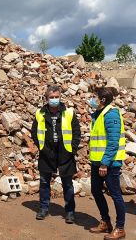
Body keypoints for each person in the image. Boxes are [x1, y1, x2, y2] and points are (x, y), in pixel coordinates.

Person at [31, 85, 81, 223]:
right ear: (46, 98)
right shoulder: (40, 113)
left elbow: (76, 132)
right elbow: (34, 132)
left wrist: (73, 149)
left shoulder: (69, 112)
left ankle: (70, 212)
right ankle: (43, 209)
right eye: (51, 97)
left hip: (65, 153)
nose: (54, 99)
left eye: (56, 97)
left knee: (67, 184)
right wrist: (41, 147)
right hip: (46, 153)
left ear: (60, 97)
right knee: (44, 182)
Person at [88, 87, 126, 240]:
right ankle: (105, 222)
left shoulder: (111, 115)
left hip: (109, 164)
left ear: (102, 100)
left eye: (94, 97)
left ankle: (120, 228)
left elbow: (113, 142)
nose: (92, 99)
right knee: (96, 191)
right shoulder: (98, 114)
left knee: (116, 195)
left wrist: (104, 163)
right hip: (97, 162)